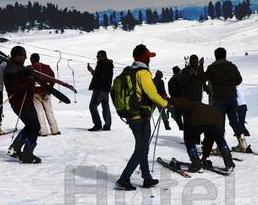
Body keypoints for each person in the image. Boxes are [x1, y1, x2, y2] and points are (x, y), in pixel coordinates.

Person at [116, 44, 169, 191]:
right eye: (148, 57)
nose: (149, 60)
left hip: (132, 116)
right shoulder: (143, 73)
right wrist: (165, 103)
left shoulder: (129, 72)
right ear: (144, 58)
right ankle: (124, 178)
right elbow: (152, 94)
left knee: (142, 147)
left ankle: (146, 178)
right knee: (141, 149)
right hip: (141, 117)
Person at [172, 98, 236, 173]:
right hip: (217, 120)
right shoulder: (204, 107)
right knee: (219, 140)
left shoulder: (192, 104)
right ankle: (229, 164)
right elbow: (208, 141)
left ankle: (196, 165)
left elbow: (180, 102)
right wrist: (204, 157)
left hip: (202, 121)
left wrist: (168, 100)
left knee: (188, 138)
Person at [3, 46, 43, 164]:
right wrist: (30, 79)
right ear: (16, 56)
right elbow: (16, 88)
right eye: (23, 55)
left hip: (23, 102)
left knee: (30, 126)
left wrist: (28, 72)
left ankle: (14, 148)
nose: (25, 58)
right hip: (21, 103)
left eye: (25, 55)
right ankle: (27, 155)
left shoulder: (16, 67)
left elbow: (21, 74)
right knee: (35, 127)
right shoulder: (11, 69)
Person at [29, 53, 60, 136]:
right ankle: (55, 130)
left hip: (35, 93)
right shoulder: (46, 67)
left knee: (39, 112)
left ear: (32, 59)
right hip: (46, 92)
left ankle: (43, 131)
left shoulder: (30, 68)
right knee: (49, 112)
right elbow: (52, 79)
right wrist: (49, 89)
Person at [87, 50, 114, 132]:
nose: (97, 57)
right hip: (106, 89)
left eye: (99, 56)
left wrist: (95, 87)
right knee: (105, 106)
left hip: (100, 89)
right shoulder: (108, 64)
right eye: (97, 56)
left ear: (103, 56)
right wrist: (92, 71)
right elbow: (100, 75)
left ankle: (98, 125)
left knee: (92, 106)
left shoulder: (103, 64)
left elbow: (100, 77)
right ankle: (107, 125)